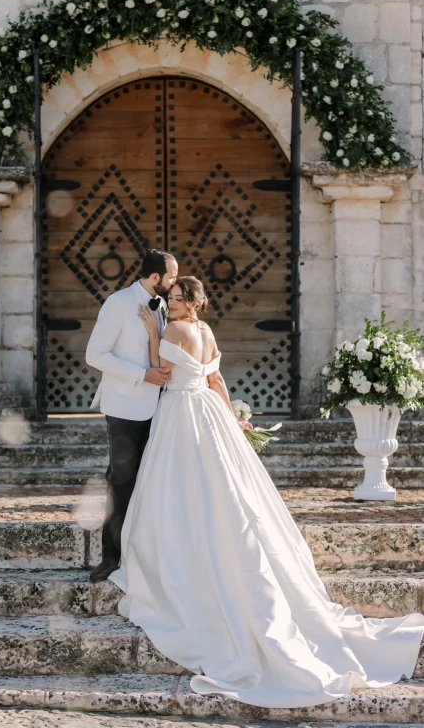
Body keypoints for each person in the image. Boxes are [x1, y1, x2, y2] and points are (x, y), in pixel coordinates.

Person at [109, 275, 424, 708]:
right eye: (170, 298)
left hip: (181, 409)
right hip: (209, 411)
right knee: (222, 484)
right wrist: (233, 420)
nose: (171, 304)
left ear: (194, 303)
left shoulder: (175, 329)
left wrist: (151, 331)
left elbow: (160, 373)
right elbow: (217, 381)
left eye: (177, 299)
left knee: (179, 487)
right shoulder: (206, 331)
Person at [85, 248, 179, 582]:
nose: (175, 282)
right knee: (121, 481)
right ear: (155, 277)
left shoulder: (163, 304)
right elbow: (95, 354)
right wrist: (142, 375)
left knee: (153, 481)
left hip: (161, 407)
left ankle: (146, 557)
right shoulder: (119, 303)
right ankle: (110, 558)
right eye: (172, 277)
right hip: (125, 406)